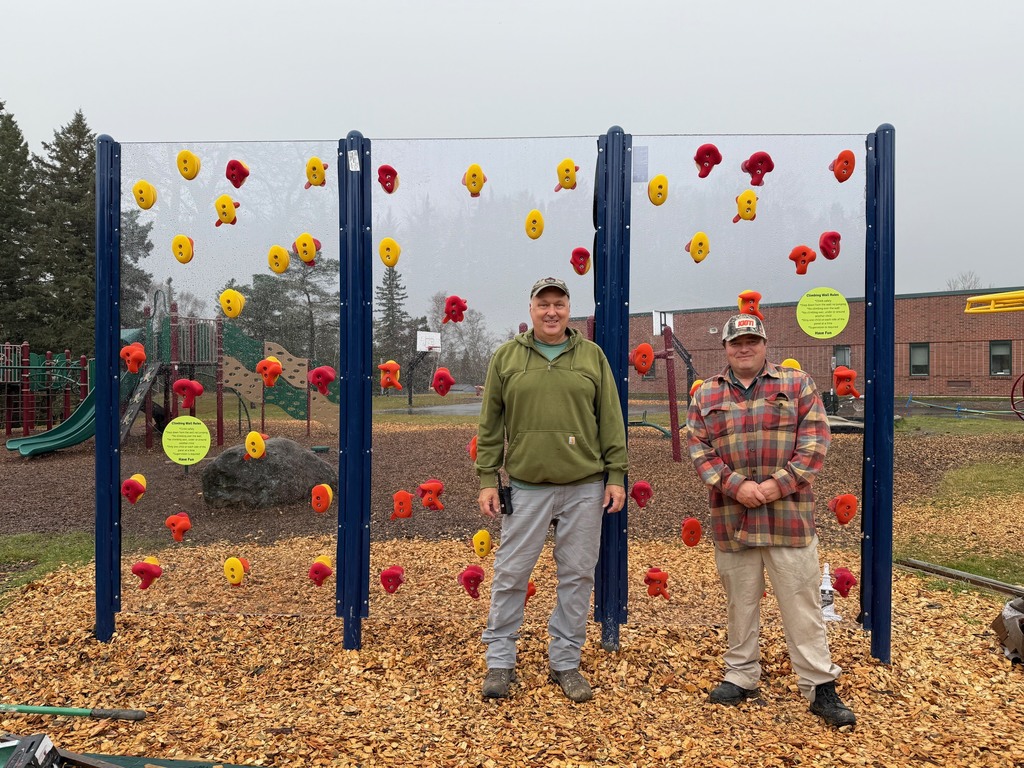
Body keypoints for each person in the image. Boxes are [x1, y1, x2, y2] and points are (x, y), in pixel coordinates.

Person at [686, 313, 856, 728]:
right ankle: (741, 675)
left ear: (764, 344)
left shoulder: (797, 385)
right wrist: (735, 485)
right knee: (739, 603)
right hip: (733, 516)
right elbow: (699, 449)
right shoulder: (706, 394)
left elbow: (815, 443)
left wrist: (775, 486)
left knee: (802, 602)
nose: (744, 348)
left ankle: (818, 684)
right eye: (736, 343)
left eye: (751, 341)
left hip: (788, 517)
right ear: (725, 348)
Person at [474, 276, 628, 702]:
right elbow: (490, 426)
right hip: (526, 487)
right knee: (510, 574)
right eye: (544, 304)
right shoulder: (506, 357)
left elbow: (611, 420)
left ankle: (565, 661)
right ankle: (500, 661)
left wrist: (616, 474)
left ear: (567, 309)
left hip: (584, 487)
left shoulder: (592, 357)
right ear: (531, 310)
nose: (551, 312)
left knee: (577, 576)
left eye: (559, 304)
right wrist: (489, 477)